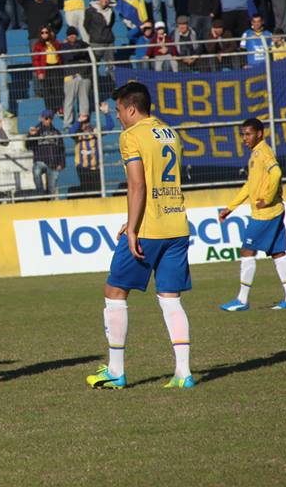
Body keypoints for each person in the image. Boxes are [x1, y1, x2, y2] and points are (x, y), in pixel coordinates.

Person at [86, 82, 194, 390]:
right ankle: (183, 372)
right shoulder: (169, 132)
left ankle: (116, 371)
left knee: (114, 291)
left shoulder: (131, 136)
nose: (118, 116)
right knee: (170, 297)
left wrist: (132, 228)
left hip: (149, 229)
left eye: (119, 110)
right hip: (177, 224)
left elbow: (138, 185)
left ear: (131, 109)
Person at [219, 118, 286, 311]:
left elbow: (277, 172)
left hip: (265, 214)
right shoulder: (256, 154)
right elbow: (250, 185)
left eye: (248, 134)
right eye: (242, 135)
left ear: (259, 134)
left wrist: (268, 197)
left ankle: (242, 300)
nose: (244, 138)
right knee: (278, 253)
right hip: (273, 211)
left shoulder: (263, 152)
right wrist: (231, 207)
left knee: (247, 251)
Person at [69, 104, 114, 193]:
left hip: (95, 168)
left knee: (97, 190)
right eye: (83, 123)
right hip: (83, 168)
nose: (85, 125)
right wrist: (79, 121)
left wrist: (106, 113)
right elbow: (71, 132)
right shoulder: (77, 135)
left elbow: (110, 126)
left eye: (87, 122)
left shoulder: (95, 132)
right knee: (87, 190)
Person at [26, 109, 65, 198]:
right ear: (42, 118)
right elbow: (28, 146)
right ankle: (40, 194)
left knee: (51, 191)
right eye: (46, 118)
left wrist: (61, 163)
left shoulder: (56, 132)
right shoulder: (36, 130)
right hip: (40, 161)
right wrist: (31, 135)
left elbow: (61, 149)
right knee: (36, 171)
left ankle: (49, 205)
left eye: (50, 118)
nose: (48, 120)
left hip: (53, 163)